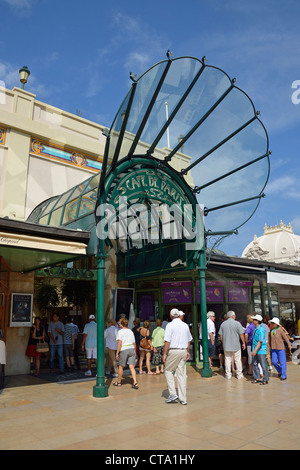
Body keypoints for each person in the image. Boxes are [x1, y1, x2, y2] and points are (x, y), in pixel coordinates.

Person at [163, 308, 193, 405]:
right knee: (181, 374)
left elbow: (167, 341)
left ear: (171, 316)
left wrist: (164, 353)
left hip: (174, 350)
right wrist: (188, 352)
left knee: (168, 370)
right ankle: (183, 398)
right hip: (183, 350)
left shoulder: (169, 325)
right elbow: (189, 340)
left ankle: (172, 393)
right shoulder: (185, 325)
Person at [218, 310, 246, 380]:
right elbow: (241, 334)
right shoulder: (237, 323)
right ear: (233, 316)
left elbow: (220, 335)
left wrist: (223, 343)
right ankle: (239, 374)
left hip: (227, 345)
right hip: (236, 345)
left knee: (227, 360)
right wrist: (243, 343)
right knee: (237, 360)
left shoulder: (223, 324)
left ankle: (228, 374)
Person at [114, 317, 138, 389]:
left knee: (121, 366)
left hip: (124, 349)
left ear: (121, 324)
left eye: (119, 323)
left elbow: (119, 343)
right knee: (131, 367)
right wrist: (135, 352)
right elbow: (134, 343)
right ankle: (135, 382)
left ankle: (119, 382)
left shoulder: (120, 332)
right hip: (131, 349)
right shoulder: (130, 331)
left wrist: (117, 353)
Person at [251, 314, 269, 385]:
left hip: (260, 350)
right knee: (254, 363)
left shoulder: (261, 329)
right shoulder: (256, 328)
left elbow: (260, 341)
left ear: (257, 321)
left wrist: (255, 350)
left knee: (263, 364)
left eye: (254, 320)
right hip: (256, 349)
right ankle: (257, 377)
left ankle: (265, 379)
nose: (253, 320)